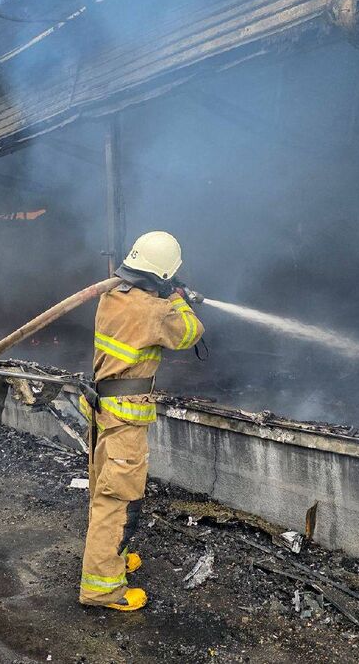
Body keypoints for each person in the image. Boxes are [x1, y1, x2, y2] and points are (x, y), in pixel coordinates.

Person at [78, 231, 205, 611]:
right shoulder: (154, 310)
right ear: (163, 274)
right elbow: (190, 333)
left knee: (105, 490)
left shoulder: (113, 295)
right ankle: (103, 588)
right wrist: (179, 300)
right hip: (125, 418)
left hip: (103, 410)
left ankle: (112, 559)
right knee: (118, 501)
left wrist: (163, 293)